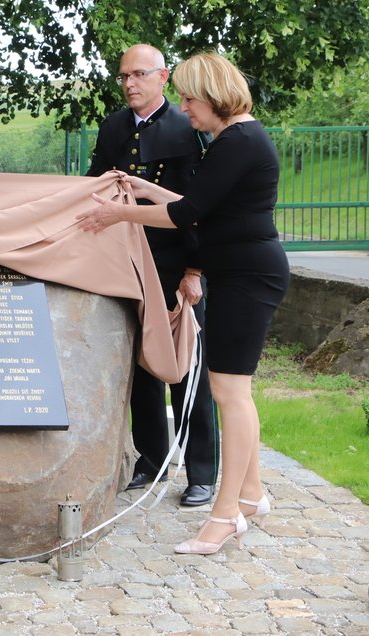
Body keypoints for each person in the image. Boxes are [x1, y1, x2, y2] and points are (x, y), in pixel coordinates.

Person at [76, 51, 289, 554]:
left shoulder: (239, 141)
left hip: (246, 277)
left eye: (191, 99)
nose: (186, 109)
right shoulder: (233, 138)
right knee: (235, 391)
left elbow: (187, 214)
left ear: (213, 97)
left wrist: (118, 215)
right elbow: (192, 203)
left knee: (230, 394)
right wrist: (139, 187)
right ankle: (253, 494)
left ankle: (226, 512)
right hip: (241, 272)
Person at [86, 44, 218, 508]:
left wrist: (195, 271)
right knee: (142, 366)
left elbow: (200, 209)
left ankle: (201, 471)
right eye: (123, 76)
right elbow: (94, 187)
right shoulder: (114, 127)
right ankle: (149, 457)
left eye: (139, 75)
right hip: (128, 264)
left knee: (186, 371)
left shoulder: (189, 129)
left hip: (177, 263)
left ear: (163, 77)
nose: (129, 83)